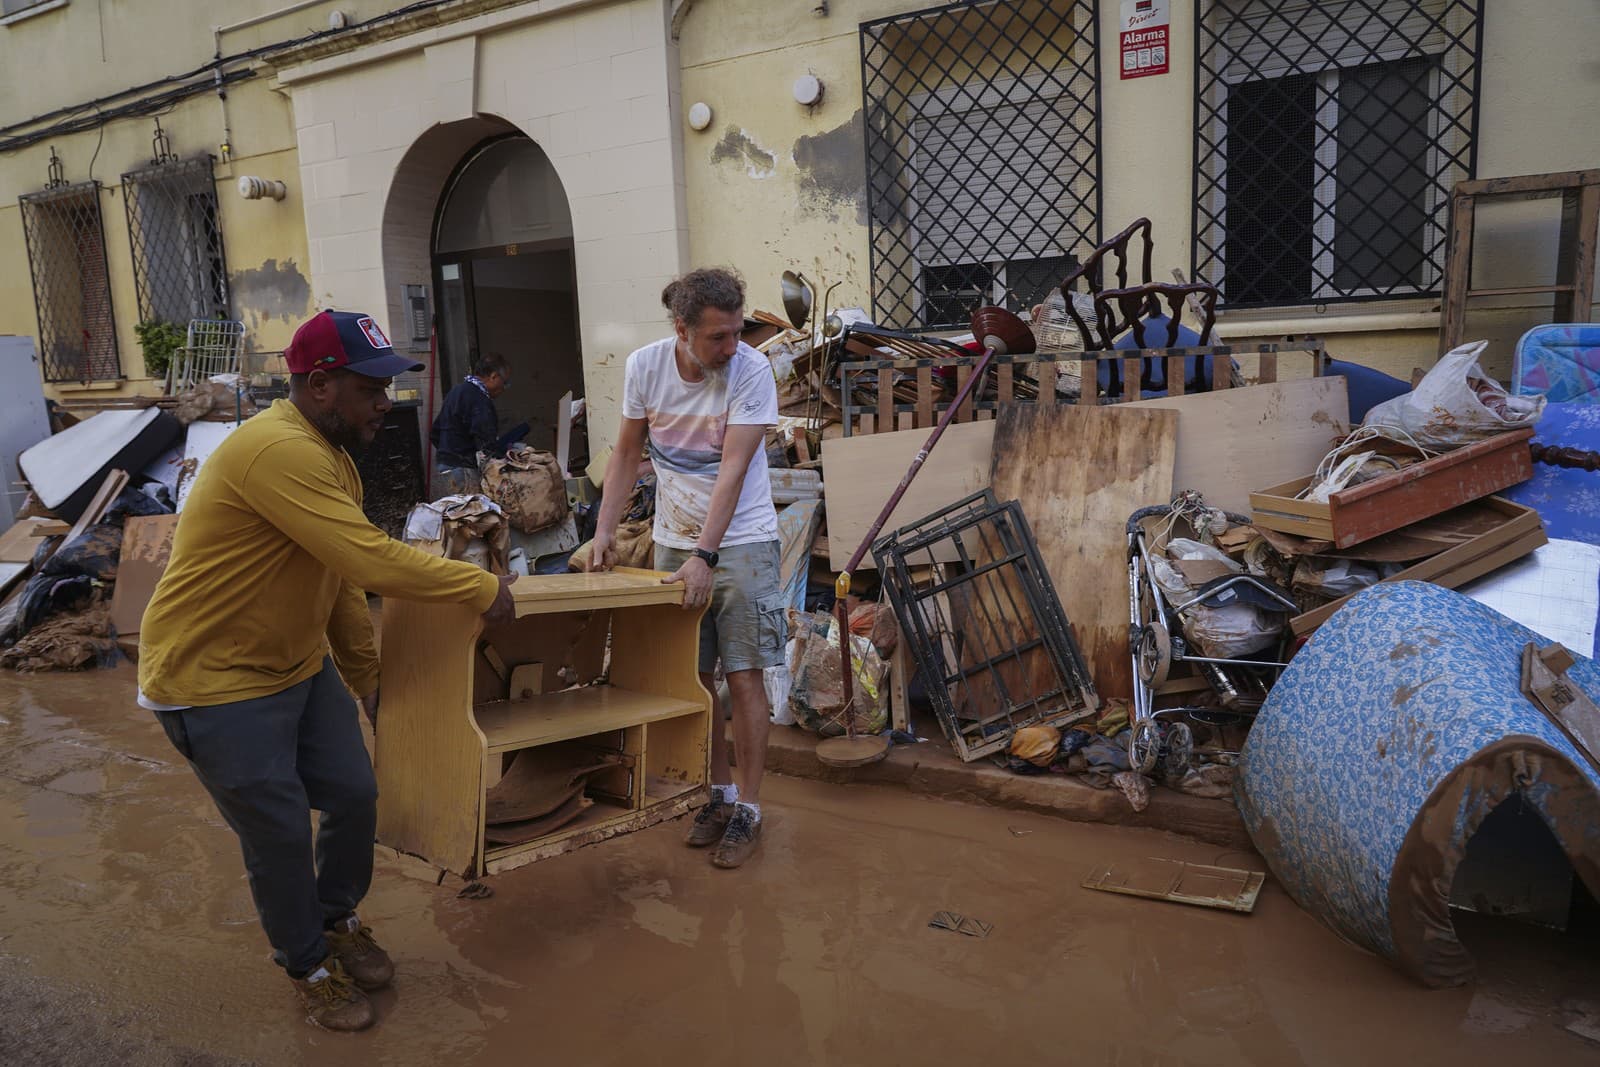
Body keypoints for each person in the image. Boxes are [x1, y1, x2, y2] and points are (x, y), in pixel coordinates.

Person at [138, 310, 517, 1032]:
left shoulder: (332, 454)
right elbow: (370, 560)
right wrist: (481, 586)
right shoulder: (277, 450)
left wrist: (365, 677)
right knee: (278, 831)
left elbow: (338, 574)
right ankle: (307, 961)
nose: (387, 403)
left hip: (295, 664)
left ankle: (336, 918)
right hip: (213, 678)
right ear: (320, 386)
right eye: (372, 388)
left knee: (353, 792)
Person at [589, 267, 782, 869]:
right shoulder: (646, 367)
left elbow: (731, 469)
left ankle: (749, 807)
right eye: (718, 337)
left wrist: (706, 554)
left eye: (735, 333)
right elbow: (625, 453)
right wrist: (602, 533)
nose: (732, 347)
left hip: (744, 540)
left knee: (744, 675)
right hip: (674, 542)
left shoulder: (751, 371)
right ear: (682, 329)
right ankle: (719, 795)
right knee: (693, 679)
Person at [429, 351, 528, 496]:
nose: (504, 389)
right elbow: (486, 444)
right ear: (494, 376)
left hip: (444, 467)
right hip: (463, 471)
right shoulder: (479, 400)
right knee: (471, 516)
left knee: (452, 514)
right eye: (505, 383)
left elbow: (435, 432)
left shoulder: (456, 392)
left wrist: (449, 452)